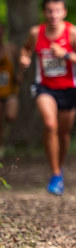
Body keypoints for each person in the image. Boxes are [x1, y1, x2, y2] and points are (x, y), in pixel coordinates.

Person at [19, 0, 76, 194]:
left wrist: (66, 55)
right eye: (49, 11)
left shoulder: (73, 33)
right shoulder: (36, 32)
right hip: (44, 87)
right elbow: (26, 49)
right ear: (44, 12)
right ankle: (55, 173)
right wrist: (24, 58)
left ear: (64, 12)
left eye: (57, 11)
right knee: (50, 124)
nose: (53, 15)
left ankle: (58, 169)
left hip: (69, 88)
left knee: (63, 133)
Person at [0, 19, 21, 157]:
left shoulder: (11, 49)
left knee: (10, 116)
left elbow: (20, 65)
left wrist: (19, 75)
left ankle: (5, 137)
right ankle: (1, 147)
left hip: (10, 91)